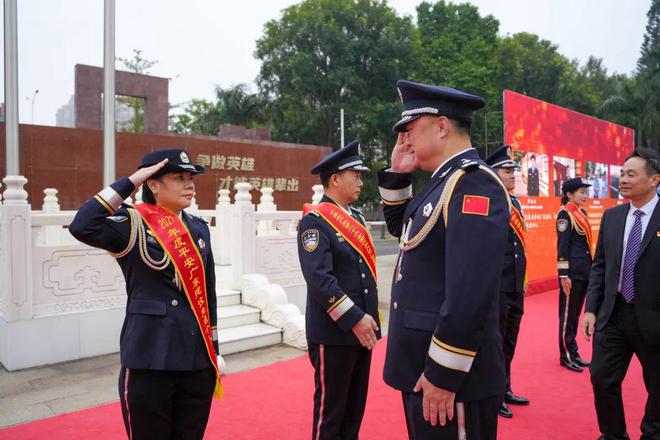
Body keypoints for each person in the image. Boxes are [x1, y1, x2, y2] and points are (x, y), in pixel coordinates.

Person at [378, 80, 510, 439]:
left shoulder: (473, 184)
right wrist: (398, 174)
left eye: (409, 128)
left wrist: (443, 374)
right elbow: (403, 230)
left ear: (441, 126)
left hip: (450, 375)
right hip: (421, 364)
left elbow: (470, 291)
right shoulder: (441, 182)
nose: (404, 139)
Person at [69, 148, 222, 440]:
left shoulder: (198, 229)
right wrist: (132, 181)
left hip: (195, 361)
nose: (189, 184)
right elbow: (82, 224)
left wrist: (214, 351)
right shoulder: (132, 223)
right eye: (179, 177)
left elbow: (207, 292)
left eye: (191, 178)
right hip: (152, 358)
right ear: (153, 183)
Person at [297, 140, 381, 440]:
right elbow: (319, 278)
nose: (360, 181)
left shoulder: (355, 217)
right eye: (355, 175)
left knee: (353, 411)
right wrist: (355, 318)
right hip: (334, 332)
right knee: (330, 416)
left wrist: (367, 319)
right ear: (335, 179)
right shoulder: (315, 221)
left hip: (363, 329)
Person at [582, 148, 660, 440]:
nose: (623, 179)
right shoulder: (612, 217)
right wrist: (591, 308)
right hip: (614, 314)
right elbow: (600, 266)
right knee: (601, 378)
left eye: (631, 174)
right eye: (622, 174)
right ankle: (613, 434)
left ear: (654, 180)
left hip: (653, 317)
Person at [485, 145, 529, 419]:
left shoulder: (515, 203)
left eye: (514, 171)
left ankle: (505, 387)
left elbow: (519, 247)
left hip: (515, 283)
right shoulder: (490, 202)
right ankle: (493, 394)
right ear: (494, 173)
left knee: (510, 341)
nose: (513, 175)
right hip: (497, 286)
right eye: (506, 171)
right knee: (496, 343)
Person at [556, 177, 592, 373]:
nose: (585, 196)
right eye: (581, 192)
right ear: (569, 194)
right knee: (567, 315)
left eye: (585, 192)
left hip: (584, 270)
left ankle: (574, 350)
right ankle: (566, 355)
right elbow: (562, 247)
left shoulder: (582, 213)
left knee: (576, 314)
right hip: (571, 274)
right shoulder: (565, 215)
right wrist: (563, 275)